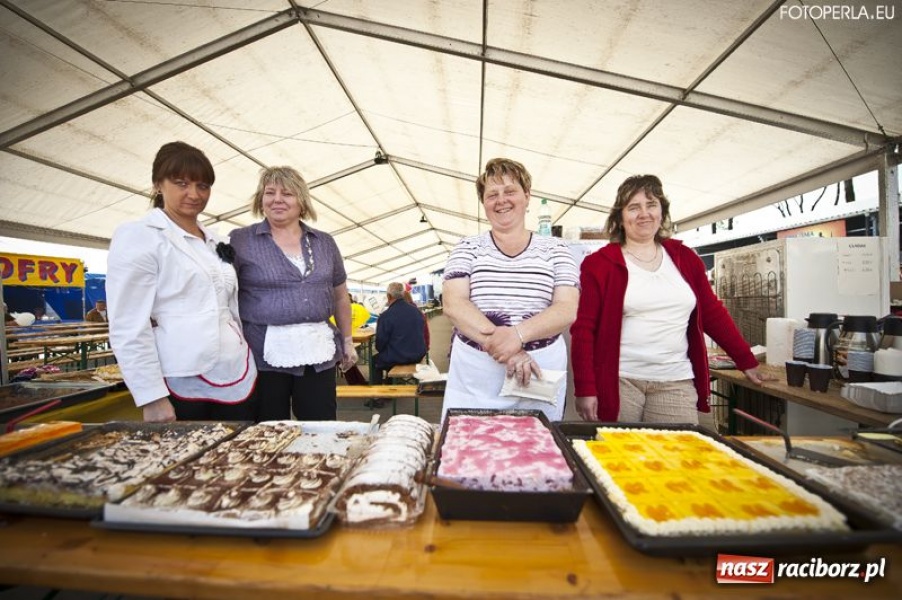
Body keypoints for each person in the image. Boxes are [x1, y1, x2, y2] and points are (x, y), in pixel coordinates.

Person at [570, 174, 770, 424]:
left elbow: (712, 314)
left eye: (651, 205)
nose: (644, 214)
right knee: (620, 459)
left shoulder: (685, 257)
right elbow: (584, 330)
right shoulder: (599, 264)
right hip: (620, 381)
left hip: (675, 380)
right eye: (634, 207)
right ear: (620, 217)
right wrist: (585, 388)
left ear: (661, 211)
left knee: (679, 458)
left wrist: (746, 361)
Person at [107, 141, 258, 423]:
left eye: (202, 186)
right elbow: (128, 324)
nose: (194, 194)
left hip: (237, 371)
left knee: (237, 459)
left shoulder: (215, 239)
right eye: (181, 183)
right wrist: (151, 396)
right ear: (157, 185)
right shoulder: (141, 236)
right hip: (179, 376)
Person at [441, 158, 580, 422]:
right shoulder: (467, 247)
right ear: (484, 203)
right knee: (470, 445)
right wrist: (511, 350)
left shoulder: (557, 250)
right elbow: (454, 304)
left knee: (535, 445)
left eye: (510, 191)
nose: (501, 200)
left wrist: (519, 334)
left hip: (538, 370)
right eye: (492, 194)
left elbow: (566, 308)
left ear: (527, 197)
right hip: (476, 371)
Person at [230, 166, 357, 422]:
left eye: (287, 193)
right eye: (270, 192)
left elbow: (341, 296)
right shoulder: (240, 240)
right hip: (262, 355)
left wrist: (347, 340)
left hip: (317, 351)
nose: (277, 199)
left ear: (301, 201)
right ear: (260, 199)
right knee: (268, 427)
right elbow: (224, 294)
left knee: (320, 423)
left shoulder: (324, 242)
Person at [372, 283, 428, 385]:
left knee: (375, 360)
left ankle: (377, 395)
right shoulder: (417, 312)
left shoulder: (385, 316)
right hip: (418, 355)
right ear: (403, 295)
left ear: (388, 296)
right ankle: (391, 384)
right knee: (391, 352)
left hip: (398, 357)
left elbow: (380, 344)